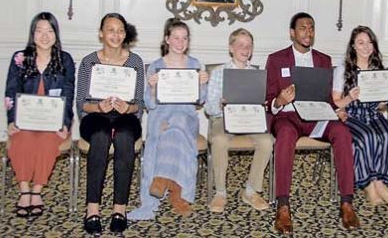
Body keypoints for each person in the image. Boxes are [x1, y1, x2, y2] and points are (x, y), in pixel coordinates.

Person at [266, 12, 360, 234]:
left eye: (311, 28)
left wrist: (337, 111)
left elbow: (327, 97)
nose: (308, 32)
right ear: (292, 33)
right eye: (302, 28)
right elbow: (268, 99)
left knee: (343, 132)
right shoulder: (276, 59)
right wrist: (279, 100)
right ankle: (283, 206)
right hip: (288, 116)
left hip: (317, 115)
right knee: (286, 136)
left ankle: (346, 202)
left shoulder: (323, 60)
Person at [128, 18, 208, 220]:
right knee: (169, 130)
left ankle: (161, 178)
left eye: (184, 38)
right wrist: (153, 87)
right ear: (167, 40)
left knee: (178, 123)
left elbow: (200, 100)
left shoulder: (195, 65)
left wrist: (202, 84)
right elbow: (151, 104)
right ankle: (177, 194)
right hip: (161, 115)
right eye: (176, 38)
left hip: (187, 116)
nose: (180, 43)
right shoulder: (155, 66)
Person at [77, 13, 144, 234]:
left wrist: (129, 107)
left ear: (125, 34)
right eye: (110, 30)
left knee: (125, 138)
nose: (116, 35)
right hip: (95, 115)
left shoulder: (135, 62)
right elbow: (81, 102)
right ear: (101, 33)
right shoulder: (89, 62)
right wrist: (98, 107)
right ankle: (92, 209)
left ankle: (119, 209)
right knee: (100, 137)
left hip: (125, 116)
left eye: (120, 30)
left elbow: (139, 104)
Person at [4, 12, 75, 218]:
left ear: (56, 34)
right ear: (32, 34)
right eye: (39, 31)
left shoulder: (65, 60)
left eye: (49, 31)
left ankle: (37, 191)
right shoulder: (20, 58)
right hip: (24, 121)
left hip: (53, 123)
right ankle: (24, 189)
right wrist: (11, 121)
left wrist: (65, 124)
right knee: (21, 141)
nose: (45, 36)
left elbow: (68, 95)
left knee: (45, 143)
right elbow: (10, 91)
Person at [332, 26, 388, 208]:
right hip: (351, 114)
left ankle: (381, 182)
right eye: (361, 43)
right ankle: (370, 185)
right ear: (353, 46)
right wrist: (350, 97)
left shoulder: (378, 69)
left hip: (371, 113)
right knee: (366, 137)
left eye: (369, 42)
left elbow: (380, 105)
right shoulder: (343, 69)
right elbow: (335, 102)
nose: (366, 47)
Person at [204, 28, 273, 213]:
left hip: (249, 119)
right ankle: (220, 192)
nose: (245, 48)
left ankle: (250, 191)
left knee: (267, 141)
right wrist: (220, 104)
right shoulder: (219, 72)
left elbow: (261, 104)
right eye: (241, 44)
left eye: (249, 45)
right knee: (218, 140)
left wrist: (261, 103)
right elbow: (209, 109)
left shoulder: (257, 74)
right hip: (224, 119)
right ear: (231, 48)